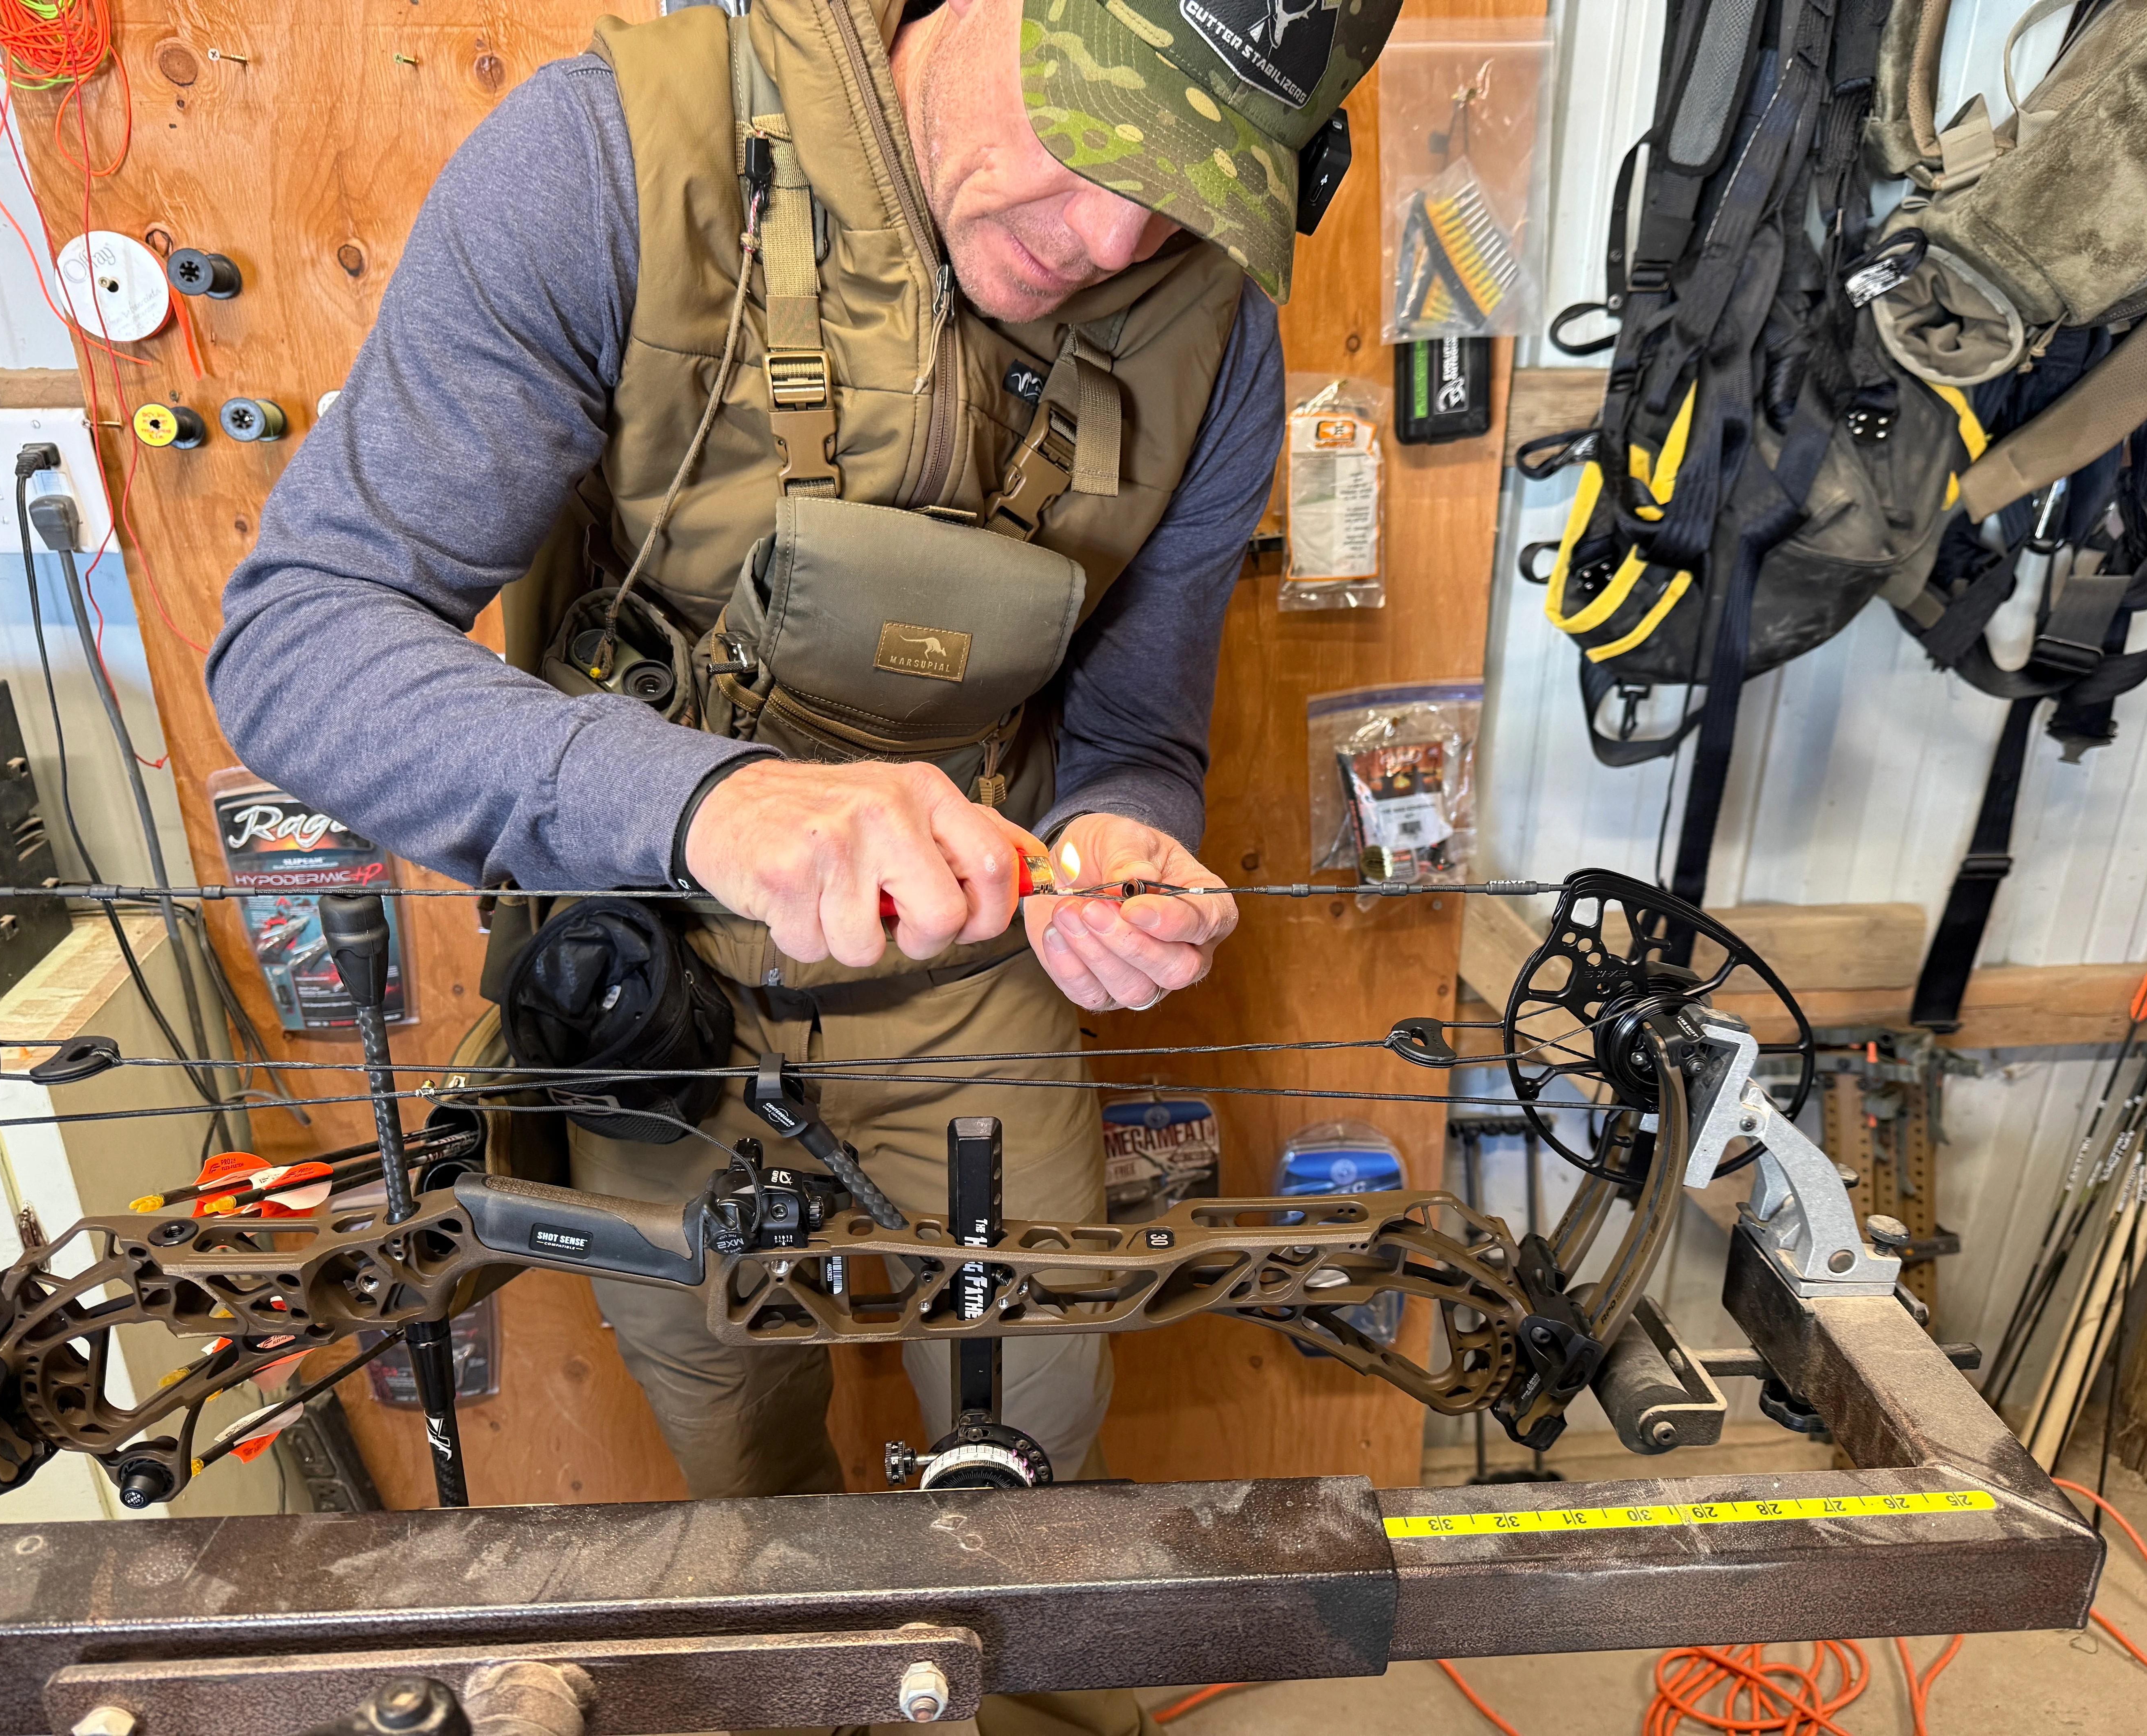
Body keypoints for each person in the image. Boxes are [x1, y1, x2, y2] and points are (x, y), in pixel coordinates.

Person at [209, 0, 1396, 1668]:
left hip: (972, 979)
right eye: (1098, 130)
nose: (1112, 237)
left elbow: (1134, 735)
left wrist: (1124, 847)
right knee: (743, 1488)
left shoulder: (1216, 335)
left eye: (1198, 186)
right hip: (648, 997)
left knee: (1043, 1481)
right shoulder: (611, 163)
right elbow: (298, 639)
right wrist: (712, 806)